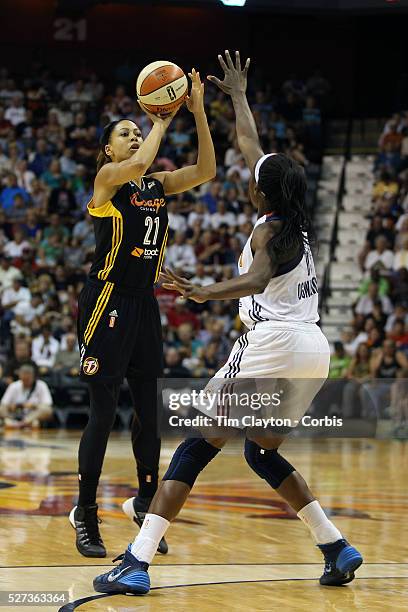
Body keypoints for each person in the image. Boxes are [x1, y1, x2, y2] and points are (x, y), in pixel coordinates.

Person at [94, 51, 362, 595]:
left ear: (261, 191)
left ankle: (137, 561)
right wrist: (237, 96)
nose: (248, 171)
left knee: (196, 445)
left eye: (254, 175)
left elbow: (258, 277)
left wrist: (202, 290)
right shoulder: (289, 221)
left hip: (272, 344)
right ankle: (336, 546)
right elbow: (249, 145)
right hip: (313, 350)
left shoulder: (267, 234)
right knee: (261, 452)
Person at [69, 69, 216, 558]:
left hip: (144, 304)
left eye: (138, 129)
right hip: (106, 302)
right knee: (105, 410)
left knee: (149, 414)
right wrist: (160, 116)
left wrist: (195, 113)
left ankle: (145, 502)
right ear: (108, 150)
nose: (134, 135)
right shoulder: (108, 180)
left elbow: (206, 171)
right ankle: (85, 513)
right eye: (124, 133)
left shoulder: (155, 184)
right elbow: (143, 158)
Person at [0, 364, 52, 429]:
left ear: (33, 377)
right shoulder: (14, 386)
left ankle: (24, 423)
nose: (25, 381)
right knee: (1, 408)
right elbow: (4, 403)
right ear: (20, 376)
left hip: (32, 415)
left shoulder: (41, 385)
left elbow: (47, 404)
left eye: (28, 379)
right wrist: (12, 406)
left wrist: (33, 405)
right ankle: (13, 421)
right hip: (14, 415)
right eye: (23, 379)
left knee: (47, 410)